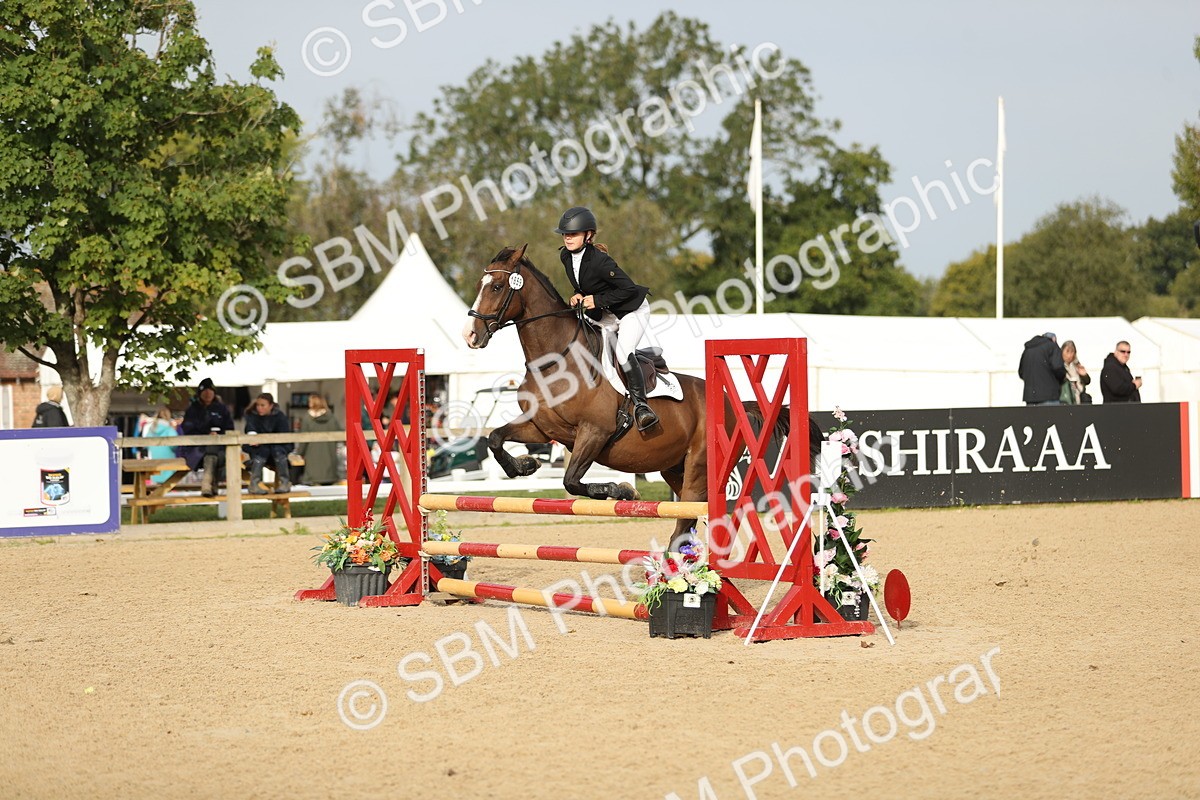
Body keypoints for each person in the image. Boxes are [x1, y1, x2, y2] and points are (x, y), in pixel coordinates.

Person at [555, 205, 658, 430]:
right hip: (607, 315)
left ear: (588, 235)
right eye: (565, 234)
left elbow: (629, 289)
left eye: (573, 234)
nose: (567, 238)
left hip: (631, 311)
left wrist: (596, 301)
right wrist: (577, 295)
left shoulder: (601, 261)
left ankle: (642, 406)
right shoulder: (565, 256)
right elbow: (583, 285)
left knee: (622, 352)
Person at [180, 378, 235, 497]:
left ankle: (208, 484)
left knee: (215, 455)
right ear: (200, 394)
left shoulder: (221, 409)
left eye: (210, 391)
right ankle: (209, 485)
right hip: (197, 448)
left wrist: (219, 434)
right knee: (210, 454)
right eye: (205, 392)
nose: (208, 394)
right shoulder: (192, 410)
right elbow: (188, 428)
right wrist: (206, 433)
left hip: (219, 446)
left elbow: (229, 427)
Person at [242, 393, 294, 494]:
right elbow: (250, 430)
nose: (259, 408)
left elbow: (285, 435)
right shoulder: (252, 416)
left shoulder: (280, 417)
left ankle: (285, 482)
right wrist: (253, 438)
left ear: (271, 406)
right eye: (258, 405)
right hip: (259, 449)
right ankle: (254, 484)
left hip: (278, 449)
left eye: (262, 405)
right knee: (261, 452)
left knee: (278, 451)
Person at [296, 395, 340, 485]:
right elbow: (338, 435)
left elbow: (304, 439)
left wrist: (300, 452)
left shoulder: (307, 418)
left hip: (312, 457)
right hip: (329, 456)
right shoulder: (332, 417)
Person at [1018, 332, 1065, 406]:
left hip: (1030, 397)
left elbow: (1021, 372)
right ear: (1053, 339)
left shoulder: (1028, 349)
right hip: (1050, 396)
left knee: (1033, 418)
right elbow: (1058, 368)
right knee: (1051, 417)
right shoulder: (1052, 346)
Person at [144, 406, 180, 484]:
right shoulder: (169, 429)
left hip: (154, 462)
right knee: (168, 484)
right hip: (168, 462)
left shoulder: (151, 430)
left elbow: (146, 444)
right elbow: (174, 444)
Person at [1058, 340, 1092, 405]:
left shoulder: (1076, 366)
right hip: (1066, 399)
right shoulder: (1059, 367)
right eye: (1067, 351)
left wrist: (1084, 375)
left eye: (1072, 352)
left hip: (1078, 398)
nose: (1069, 355)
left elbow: (1087, 381)